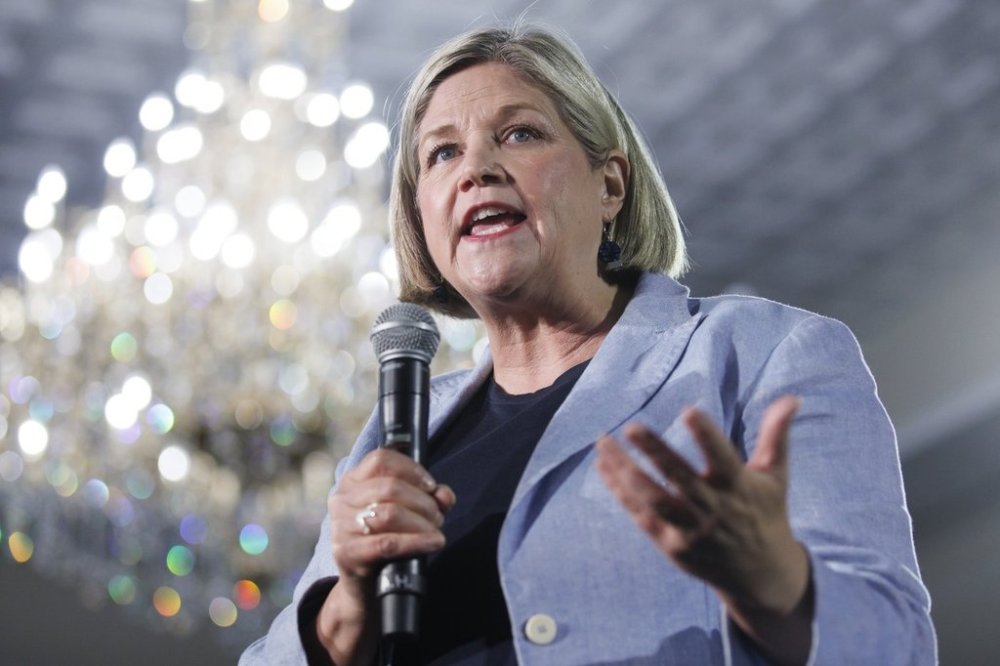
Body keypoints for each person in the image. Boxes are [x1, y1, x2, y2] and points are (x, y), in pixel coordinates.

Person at [241, 24, 936, 666]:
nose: (475, 168)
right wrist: (347, 609)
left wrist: (775, 582)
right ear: (421, 216)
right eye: (442, 152)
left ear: (610, 185)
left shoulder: (761, 354)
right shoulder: (400, 435)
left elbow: (897, 647)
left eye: (519, 134)